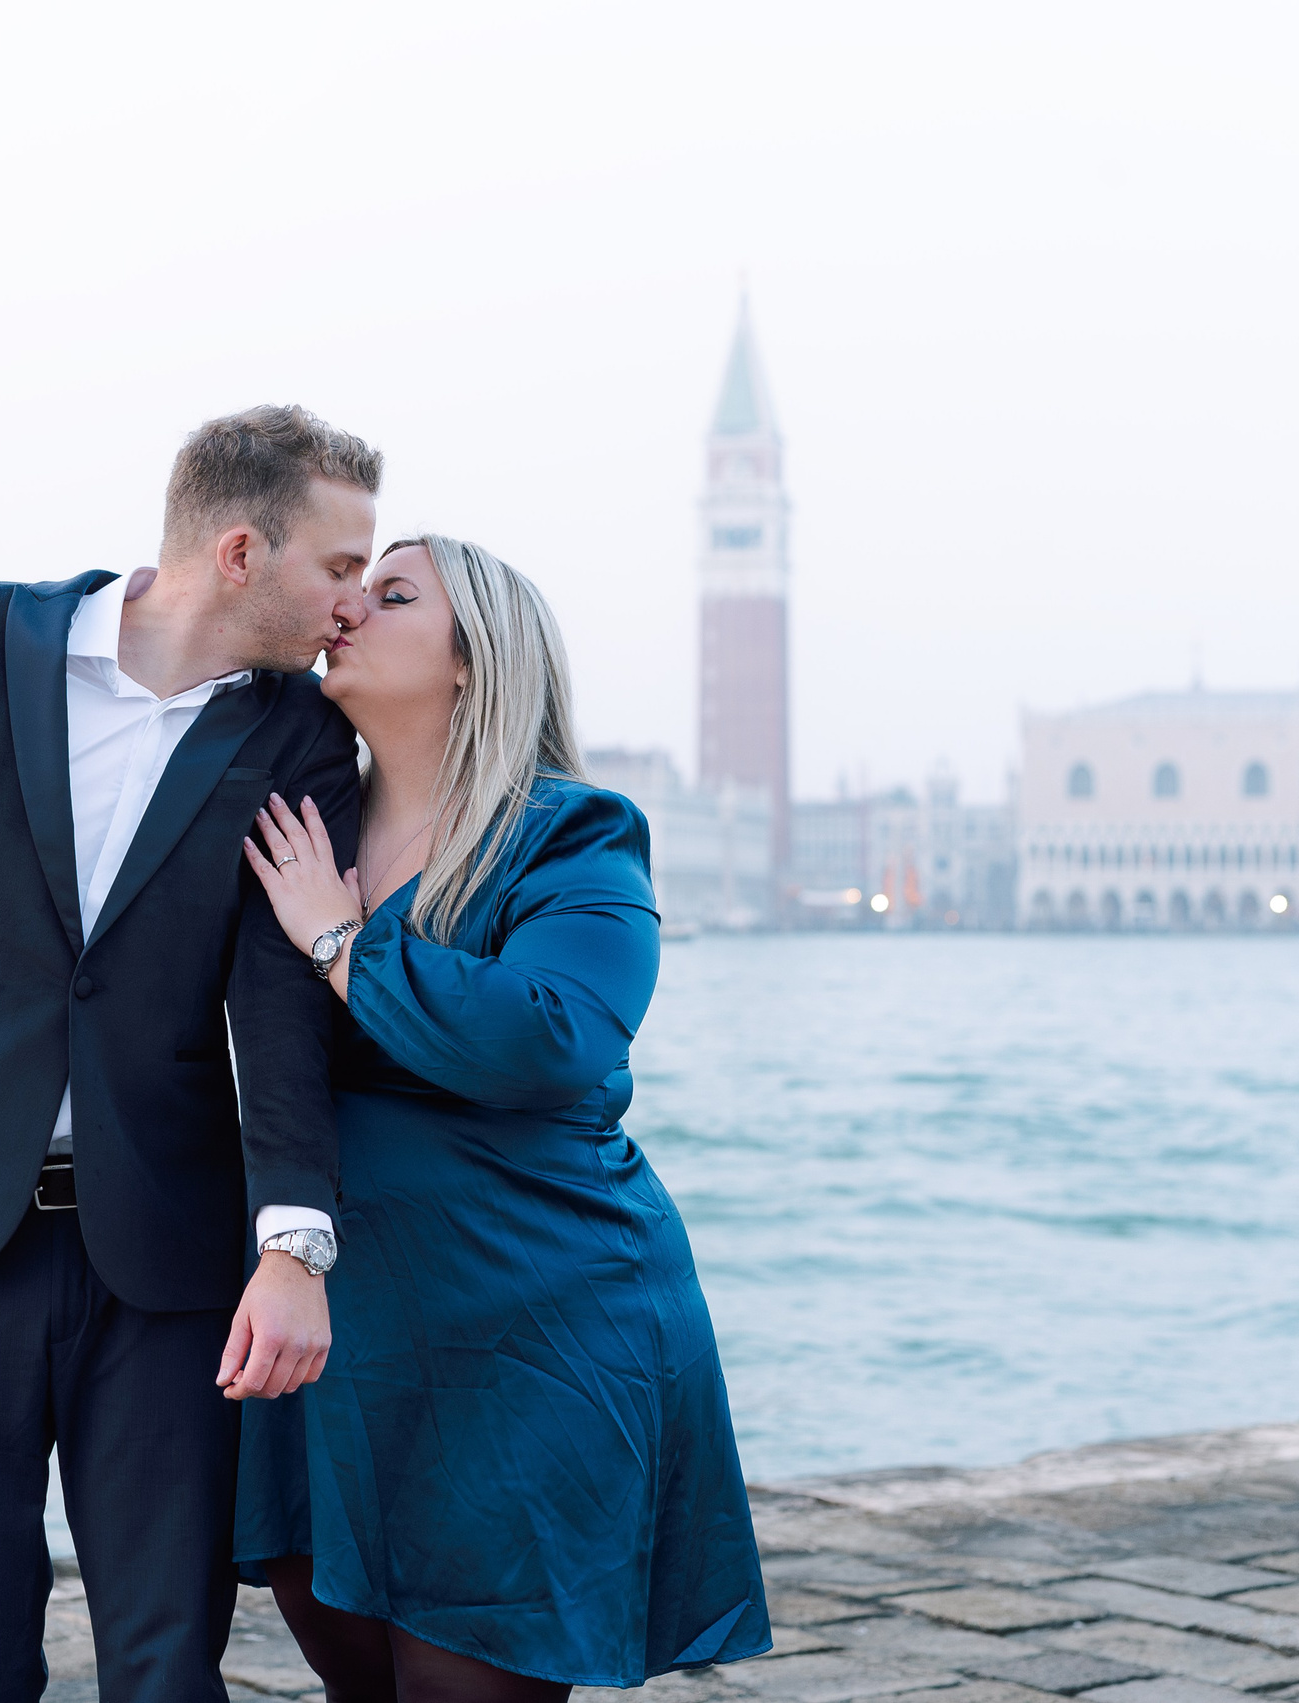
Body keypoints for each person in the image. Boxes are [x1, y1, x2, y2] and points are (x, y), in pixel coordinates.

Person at [0, 405, 382, 1703]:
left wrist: (294, 1244)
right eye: (337, 566)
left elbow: (281, 1017)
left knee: (167, 1666)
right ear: (238, 549)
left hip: (165, 1260)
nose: (351, 603)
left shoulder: (302, 740)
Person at [234, 535, 771, 1701]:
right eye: (350, 587)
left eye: (392, 594)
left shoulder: (571, 832)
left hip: (532, 1333)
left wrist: (340, 943)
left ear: (473, 659)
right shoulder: (302, 828)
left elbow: (550, 1030)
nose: (348, 609)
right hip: (343, 1334)